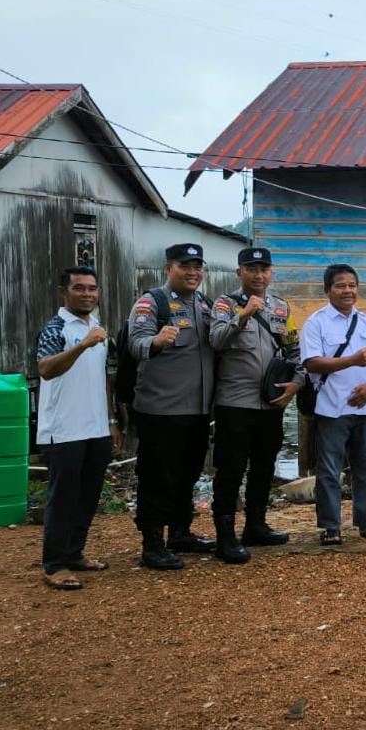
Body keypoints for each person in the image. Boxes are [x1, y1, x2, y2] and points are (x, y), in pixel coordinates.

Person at [208, 247, 304, 563]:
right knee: (231, 469)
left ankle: (256, 526)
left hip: (271, 403)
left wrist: (296, 384)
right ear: (240, 273)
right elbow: (216, 340)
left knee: (264, 466)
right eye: (251, 269)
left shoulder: (281, 307)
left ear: (271, 273)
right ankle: (225, 537)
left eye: (264, 269)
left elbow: (293, 351)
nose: (258, 275)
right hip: (234, 403)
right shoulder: (225, 304)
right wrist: (244, 314)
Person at [126, 243, 216, 571]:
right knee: (156, 477)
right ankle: (152, 544)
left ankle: (180, 533)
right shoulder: (152, 302)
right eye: (184, 266)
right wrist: (155, 341)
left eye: (197, 266)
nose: (193, 272)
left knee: (188, 474)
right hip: (160, 409)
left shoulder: (205, 305)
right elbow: (134, 344)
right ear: (168, 269)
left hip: (197, 410)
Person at [34, 267, 120, 589]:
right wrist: (82, 345)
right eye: (79, 288)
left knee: (87, 496)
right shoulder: (56, 328)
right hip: (64, 429)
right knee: (63, 497)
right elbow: (45, 369)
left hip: (95, 427)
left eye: (92, 288)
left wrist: (111, 421)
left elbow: (103, 380)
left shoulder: (97, 327)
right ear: (64, 292)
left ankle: (74, 553)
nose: (87, 294)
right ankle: (54, 564)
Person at [300, 263, 366, 545]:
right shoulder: (316, 322)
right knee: (329, 469)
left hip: (364, 407)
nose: (347, 290)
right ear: (328, 290)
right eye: (340, 285)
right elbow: (312, 362)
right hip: (331, 407)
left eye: (352, 285)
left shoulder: (365, 322)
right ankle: (330, 526)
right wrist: (350, 360)